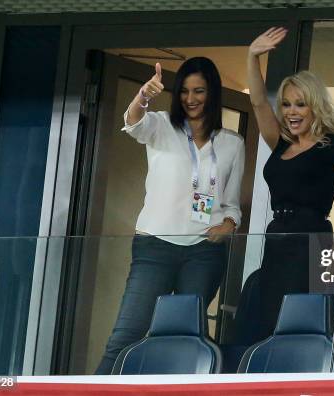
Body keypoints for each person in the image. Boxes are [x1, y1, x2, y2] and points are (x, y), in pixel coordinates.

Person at [96, 57, 245, 374]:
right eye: (185, 91)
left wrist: (229, 225)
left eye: (199, 91)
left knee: (187, 338)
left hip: (204, 252)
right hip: (155, 248)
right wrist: (144, 96)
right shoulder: (162, 125)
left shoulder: (232, 143)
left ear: (213, 93)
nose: (191, 99)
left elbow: (231, 204)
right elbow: (134, 122)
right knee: (127, 334)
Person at [248, 27, 334, 337]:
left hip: (313, 241)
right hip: (277, 238)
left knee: (304, 323)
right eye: (286, 105)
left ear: (315, 105)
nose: (291, 112)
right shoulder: (281, 143)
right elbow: (259, 103)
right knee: (272, 323)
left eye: (300, 104)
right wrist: (253, 56)